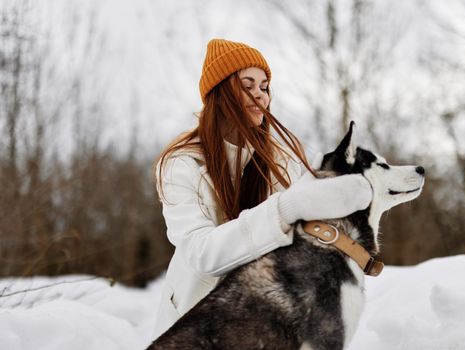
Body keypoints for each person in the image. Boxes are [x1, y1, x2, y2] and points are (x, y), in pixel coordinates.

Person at [151, 38, 372, 338]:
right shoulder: (181, 164)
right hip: (195, 324)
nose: (260, 96)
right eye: (247, 85)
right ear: (221, 93)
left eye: (264, 86)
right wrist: (281, 212)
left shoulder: (281, 159)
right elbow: (202, 253)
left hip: (263, 322)